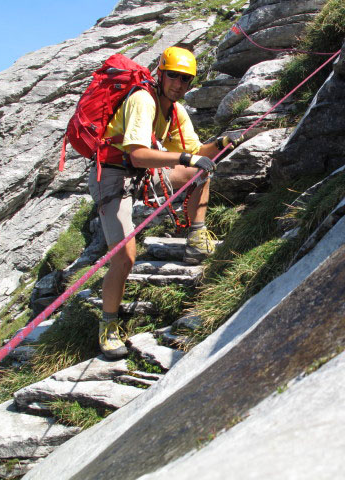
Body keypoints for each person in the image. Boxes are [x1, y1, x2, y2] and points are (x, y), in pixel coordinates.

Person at [88, 46, 240, 359]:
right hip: (112, 178)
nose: (179, 84)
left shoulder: (174, 109)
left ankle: (196, 236)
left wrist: (224, 141)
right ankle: (108, 326)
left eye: (186, 79)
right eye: (174, 76)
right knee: (125, 257)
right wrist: (188, 157)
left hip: (140, 177)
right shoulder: (143, 100)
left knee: (200, 171)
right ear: (161, 73)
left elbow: (198, 150)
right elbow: (138, 154)